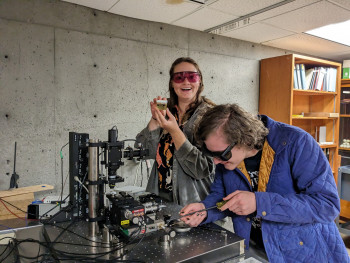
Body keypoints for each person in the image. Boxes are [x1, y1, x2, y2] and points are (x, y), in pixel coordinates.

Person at [180, 104, 350, 263]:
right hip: (257, 251)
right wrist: (204, 210)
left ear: (243, 139)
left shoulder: (297, 142)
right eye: (211, 155)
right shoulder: (227, 159)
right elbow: (222, 197)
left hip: (305, 252)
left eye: (221, 155)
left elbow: (327, 205)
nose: (216, 162)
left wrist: (258, 202)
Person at [136, 57, 215, 205]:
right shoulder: (167, 110)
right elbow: (145, 151)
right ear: (172, 83)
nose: (186, 82)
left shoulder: (211, 116)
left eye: (192, 76)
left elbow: (201, 169)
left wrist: (174, 131)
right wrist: (155, 119)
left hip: (195, 202)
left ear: (200, 81)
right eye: (179, 77)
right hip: (160, 197)